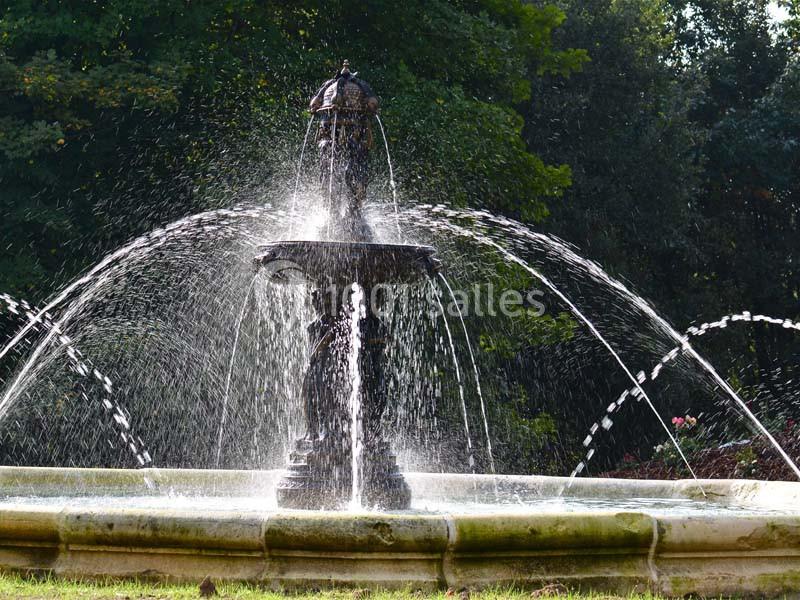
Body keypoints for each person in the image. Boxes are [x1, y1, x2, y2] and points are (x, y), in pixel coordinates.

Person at [309, 61, 379, 221]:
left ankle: (353, 213)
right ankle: (334, 213)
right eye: (333, 127)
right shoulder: (327, 144)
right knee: (329, 177)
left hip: (356, 163)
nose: (340, 133)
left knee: (353, 175)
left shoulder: (357, 143)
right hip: (336, 166)